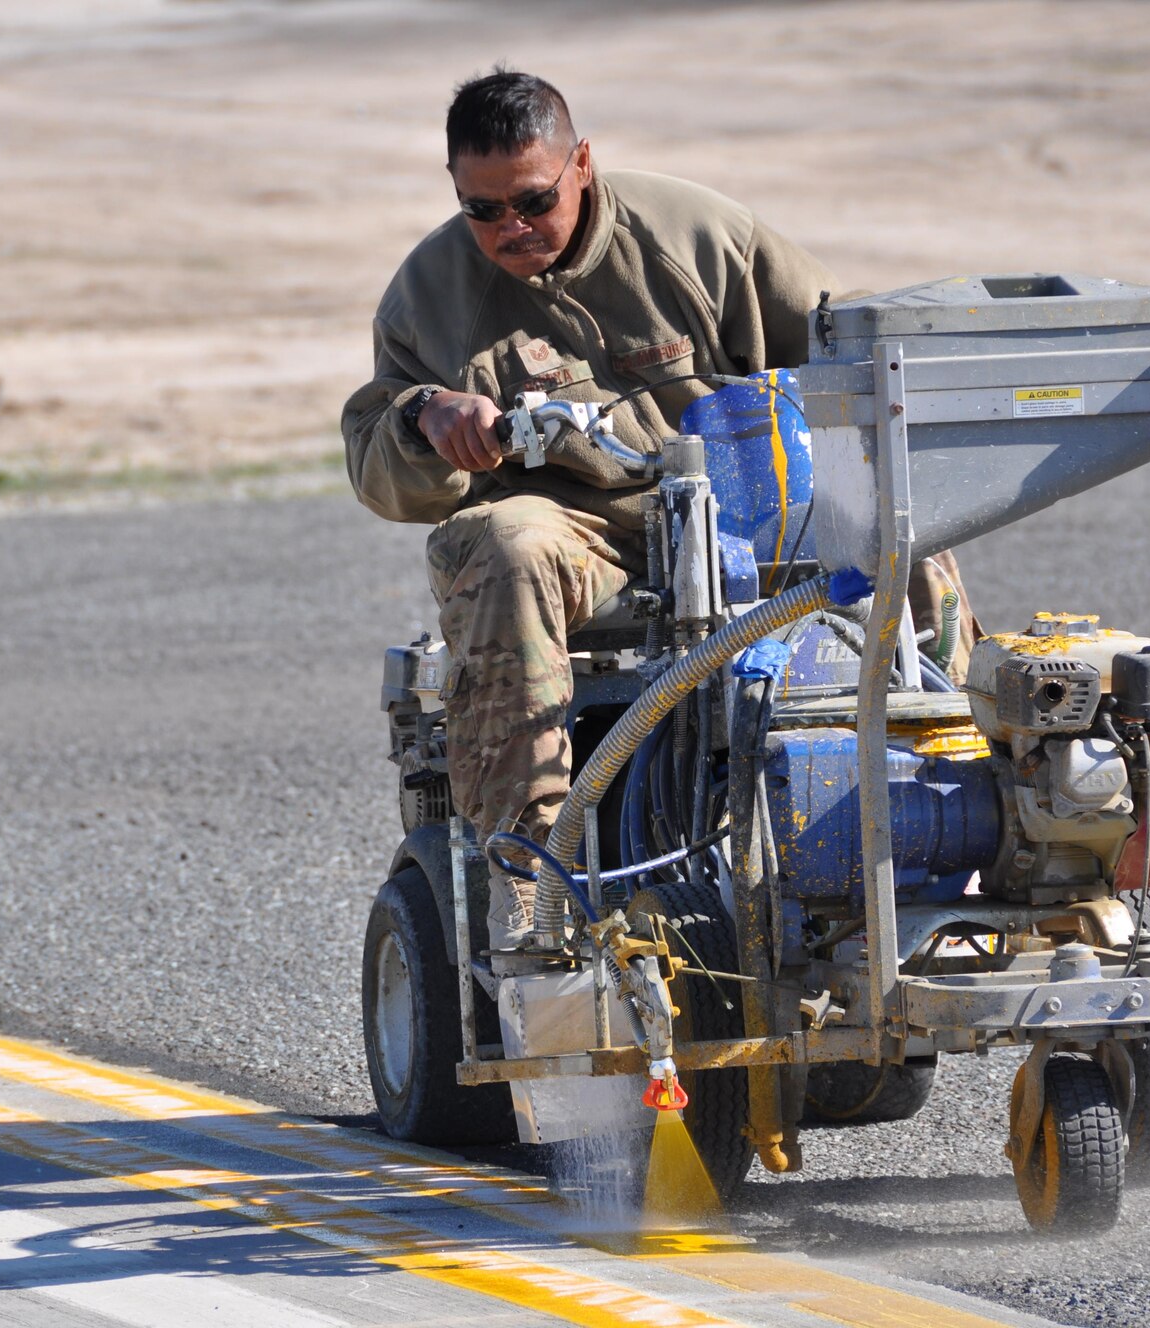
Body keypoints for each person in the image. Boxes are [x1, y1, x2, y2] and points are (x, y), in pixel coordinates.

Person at [342, 69, 977, 946]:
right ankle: (531, 873)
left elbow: (843, 354)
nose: (510, 230)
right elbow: (376, 460)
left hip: (748, 503)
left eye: (532, 200)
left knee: (908, 537)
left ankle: (966, 797)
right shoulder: (430, 295)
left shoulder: (699, 238)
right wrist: (425, 414)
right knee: (501, 541)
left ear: (583, 166)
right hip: (583, 527)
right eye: (481, 211)